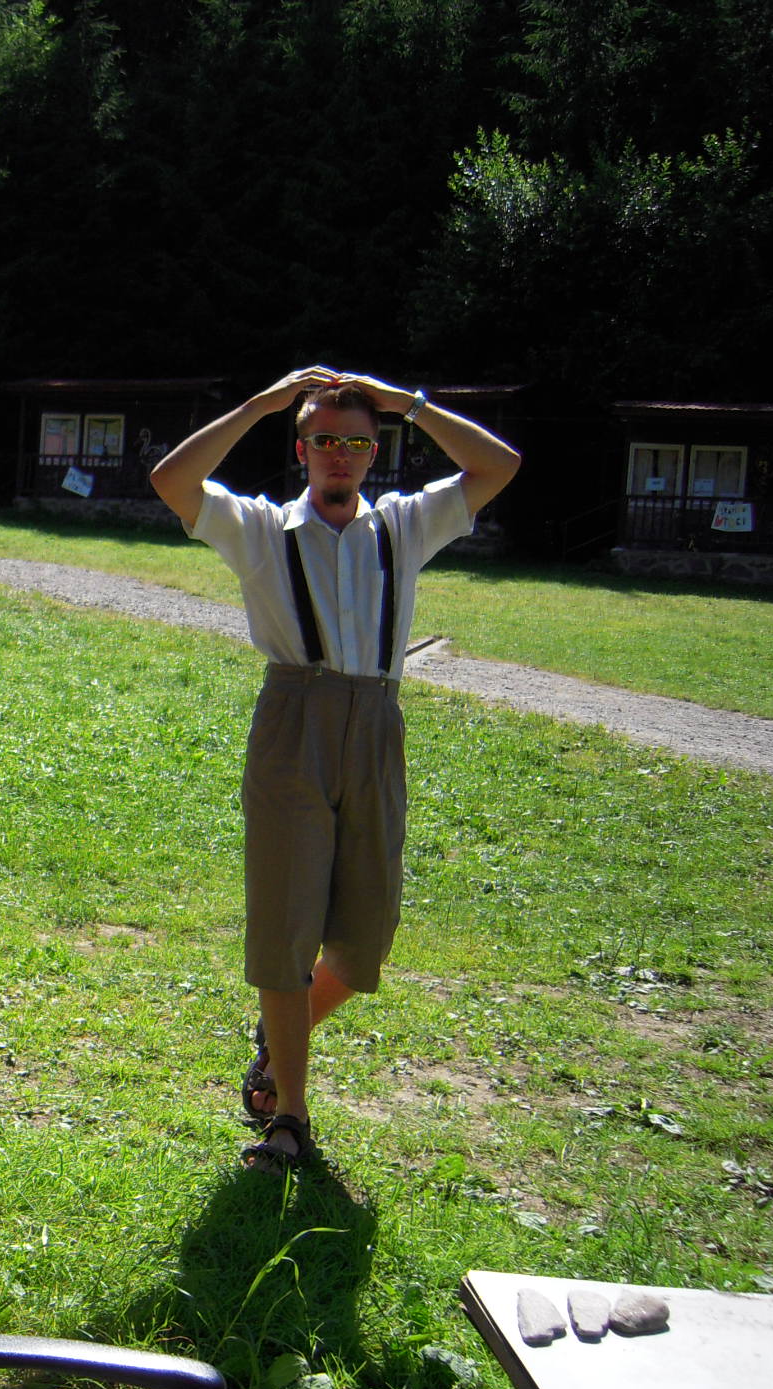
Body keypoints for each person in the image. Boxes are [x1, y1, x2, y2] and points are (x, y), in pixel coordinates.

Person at [148, 367, 520, 1172]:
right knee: (286, 928)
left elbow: (500, 466)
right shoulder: (260, 529)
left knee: (366, 938)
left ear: (374, 451)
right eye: (324, 440)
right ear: (302, 450)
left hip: (376, 721)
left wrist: (409, 404)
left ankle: (276, 1036)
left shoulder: (403, 525)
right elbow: (172, 481)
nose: (339, 454)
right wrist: (259, 404)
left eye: (355, 441)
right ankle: (290, 1117)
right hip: (294, 720)